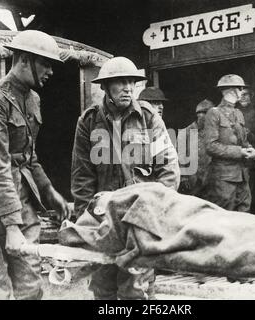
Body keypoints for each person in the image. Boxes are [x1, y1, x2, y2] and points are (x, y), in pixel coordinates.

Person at [0, 30, 71, 300]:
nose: (50, 72)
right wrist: (11, 227)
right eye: (45, 63)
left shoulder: (33, 99)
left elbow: (28, 157)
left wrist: (49, 193)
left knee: (30, 288)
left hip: (21, 203)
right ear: (23, 60)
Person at [71, 56, 180, 300]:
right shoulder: (88, 121)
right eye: (120, 82)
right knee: (103, 288)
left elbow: (169, 169)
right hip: (104, 219)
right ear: (106, 87)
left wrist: (155, 213)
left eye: (132, 82)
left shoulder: (149, 118)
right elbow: (82, 176)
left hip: (140, 218)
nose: (128, 88)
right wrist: (86, 220)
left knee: (136, 290)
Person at [204, 74, 255, 211]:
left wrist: (250, 149)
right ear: (233, 90)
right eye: (241, 89)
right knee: (225, 217)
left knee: (245, 213)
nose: (242, 93)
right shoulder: (213, 113)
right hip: (224, 178)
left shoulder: (238, 113)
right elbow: (211, 146)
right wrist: (239, 152)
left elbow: (243, 140)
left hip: (242, 175)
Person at [179, 99, 215, 199]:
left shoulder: (213, 132)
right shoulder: (186, 132)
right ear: (199, 115)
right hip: (193, 180)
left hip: (211, 179)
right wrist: (183, 178)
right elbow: (180, 158)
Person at [236, 87, 255, 214]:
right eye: (240, 95)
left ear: (251, 96)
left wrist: (248, 134)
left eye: (246, 94)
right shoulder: (234, 113)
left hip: (253, 162)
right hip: (237, 161)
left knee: (253, 196)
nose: (243, 97)